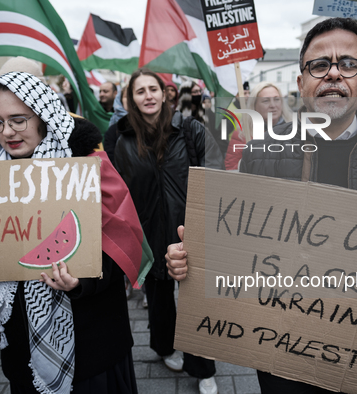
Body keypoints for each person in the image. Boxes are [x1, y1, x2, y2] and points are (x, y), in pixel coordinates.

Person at [168, 17, 357, 394]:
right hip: (282, 349)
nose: (334, 75)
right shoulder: (259, 153)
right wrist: (191, 259)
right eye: (320, 65)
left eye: (349, 64)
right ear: (301, 83)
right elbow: (234, 242)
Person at [0, 71, 146, 393]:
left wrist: (82, 280)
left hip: (90, 346)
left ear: (43, 116)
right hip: (21, 353)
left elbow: (122, 246)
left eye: (18, 120)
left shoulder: (87, 166)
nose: (6, 131)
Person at [112, 68, 222, 394]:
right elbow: (121, 194)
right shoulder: (123, 141)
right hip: (147, 235)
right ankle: (165, 348)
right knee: (159, 300)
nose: (147, 95)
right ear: (130, 99)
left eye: (152, 89)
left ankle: (204, 368)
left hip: (191, 230)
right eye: (139, 91)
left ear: (164, 94)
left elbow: (215, 175)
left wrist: (208, 226)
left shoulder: (191, 130)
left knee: (197, 301)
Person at [224, 82, 292, 170]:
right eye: (266, 101)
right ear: (254, 105)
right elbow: (231, 169)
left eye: (276, 99)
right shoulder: (242, 134)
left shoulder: (295, 130)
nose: (273, 105)